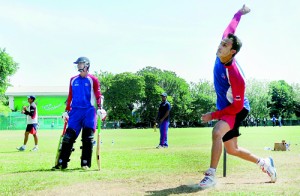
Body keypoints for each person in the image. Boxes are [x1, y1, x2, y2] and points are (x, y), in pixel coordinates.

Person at [199, 5, 277, 189]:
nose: (220, 46)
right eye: (221, 43)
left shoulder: (236, 76)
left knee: (217, 132)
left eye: (225, 45)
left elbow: (236, 107)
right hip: (226, 107)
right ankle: (265, 163)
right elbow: (230, 29)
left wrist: (214, 115)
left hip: (237, 108)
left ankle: (210, 175)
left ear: (232, 52)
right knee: (232, 149)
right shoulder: (221, 53)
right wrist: (238, 13)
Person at [52, 56, 103, 170]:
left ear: (86, 65)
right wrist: (66, 110)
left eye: (80, 63)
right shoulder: (73, 79)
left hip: (89, 111)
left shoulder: (93, 79)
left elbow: (98, 95)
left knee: (87, 138)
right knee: (68, 137)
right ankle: (62, 162)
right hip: (75, 112)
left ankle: (85, 163)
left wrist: (100, 108)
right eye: (78, 64)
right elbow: (70, 96)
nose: (78, 66)